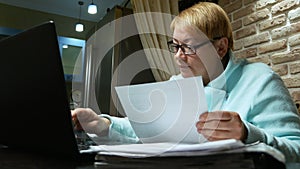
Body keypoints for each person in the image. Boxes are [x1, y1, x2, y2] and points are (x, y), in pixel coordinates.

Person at [72, 2, 300, 162]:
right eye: (175, 46)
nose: (178, 56)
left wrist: (249, 134)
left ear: (220, 48)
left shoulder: (260, 80)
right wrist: (103, 124)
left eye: (188, 47)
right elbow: (147, 128)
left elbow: (296, 151)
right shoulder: (176, 83)